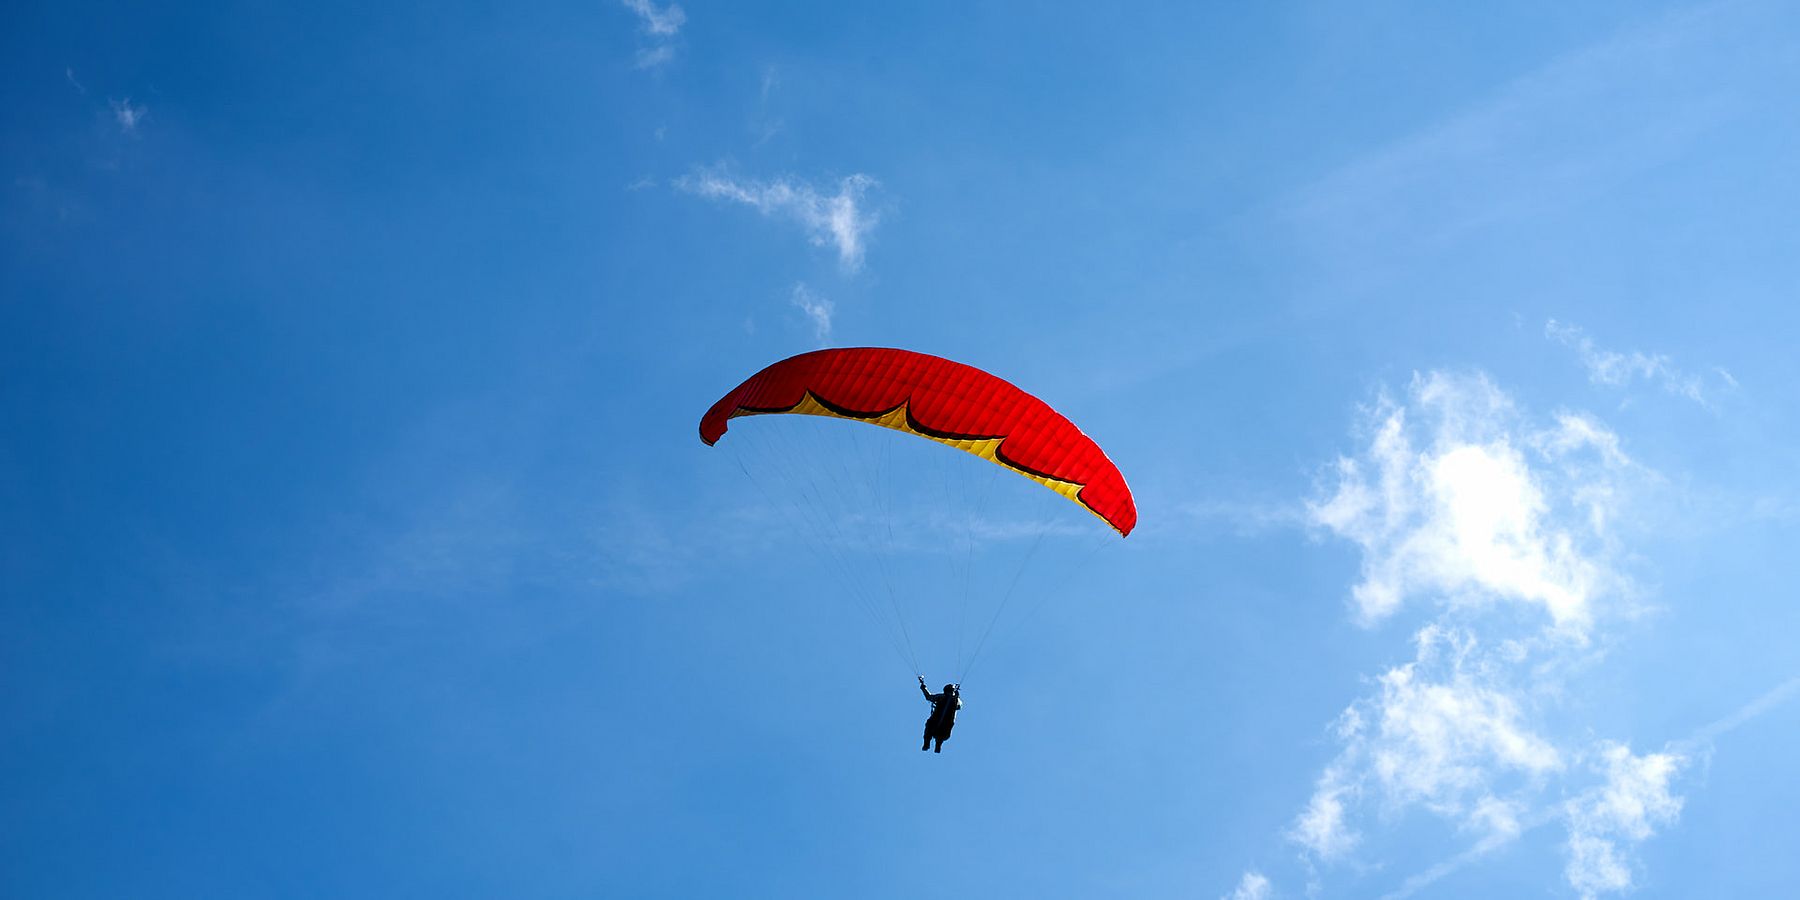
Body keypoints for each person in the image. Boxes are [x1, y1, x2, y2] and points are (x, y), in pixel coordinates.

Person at [918, 676, 962, 753]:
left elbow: (929, 697)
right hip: (941, 722)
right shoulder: (945, 697)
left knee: (931, 727)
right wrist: (923, 687)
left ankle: (933, 744)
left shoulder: (953, 699)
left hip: (943, 722)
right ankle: (932, 743)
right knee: (931, 727)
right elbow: (929, 697)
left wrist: (923, 687)